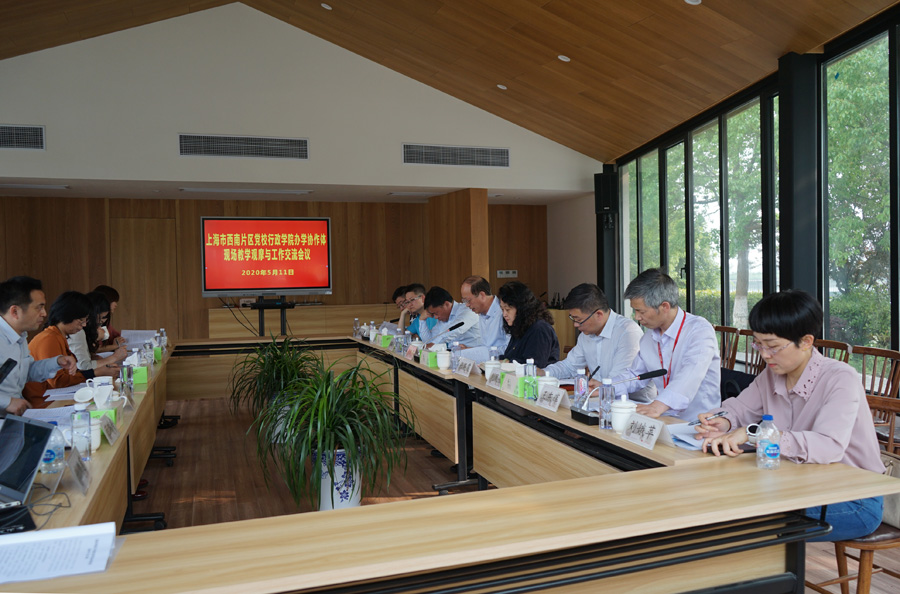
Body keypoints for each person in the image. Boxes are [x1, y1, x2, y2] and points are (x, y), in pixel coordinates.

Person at [695, 290, 884, 542]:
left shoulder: (840, 378)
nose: (764, 354)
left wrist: (754, 434)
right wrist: (724, 420)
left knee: (744, 518)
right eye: (758, 344)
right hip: (796, 484)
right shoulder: (771, 374)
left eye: (773, 346)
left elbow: (828, 446)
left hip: (853, 497)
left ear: (806, 341)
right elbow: (740, 407)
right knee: (719, 501)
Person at [611, 268, 720, 421]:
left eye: (641, 311)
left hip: (698, 421)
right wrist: (607, 387)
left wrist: (658, 405)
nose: (637, 317)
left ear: (665, 307)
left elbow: (690, 375)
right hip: (663, 417)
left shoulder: (699, 330)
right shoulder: (649, 337)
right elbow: (635, 375)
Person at [541, 283, 653, 402]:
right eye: (573, 319)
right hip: (598, 399)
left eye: (579, 320)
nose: (575, 325)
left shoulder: (627, 333)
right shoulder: (586, 334)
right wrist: (543, 373)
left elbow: (619, 380)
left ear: (598, 314)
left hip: (634, 404)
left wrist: (601, 388)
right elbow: (569, 366)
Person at [24, 291, 118, 407]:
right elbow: (58, 382)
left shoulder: (59, 336)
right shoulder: (49, 338)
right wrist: (95, 372)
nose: (84, 325)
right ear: (67, 315)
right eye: (81, 320)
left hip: (55, 395)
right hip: (44, 401)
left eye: (86, 320)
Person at [0, 276, 77, 415]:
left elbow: (27, 371)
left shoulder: (20, 336)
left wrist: (57, 362)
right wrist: (7, 401)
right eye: (39, 307)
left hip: (13, 418)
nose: (44, 313)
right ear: (15, 311)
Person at [496, 282, 559, 368]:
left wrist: (506, 362)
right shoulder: (519, 326)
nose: (504, 314)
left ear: (521, 308)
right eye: (502, 310)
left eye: (507, 309)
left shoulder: (539, 329)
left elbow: (534, 365)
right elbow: (510, 356)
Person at [67, 291, 127, 372]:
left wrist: (92, 356)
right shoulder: (78, 331)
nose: (100, 325)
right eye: (100, 319)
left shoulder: (84, 331)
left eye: (103, 319)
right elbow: (84, 366)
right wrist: (114, 357)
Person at [459, 276, 509, 363]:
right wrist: (470, 350)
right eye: (464, 301)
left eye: (468, 300)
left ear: (482, 295)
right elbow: (487, 346)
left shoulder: (504, 312)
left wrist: (480, 353)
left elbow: (509, 349)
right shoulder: (482, 313)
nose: (467, 305)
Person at [93, 284, 126, 352]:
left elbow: (117, 336)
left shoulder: (106, 322)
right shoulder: (90, 322)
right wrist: (114, 346)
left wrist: (119, 340)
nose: (116, 305)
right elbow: (94, 349)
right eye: (114, 301)